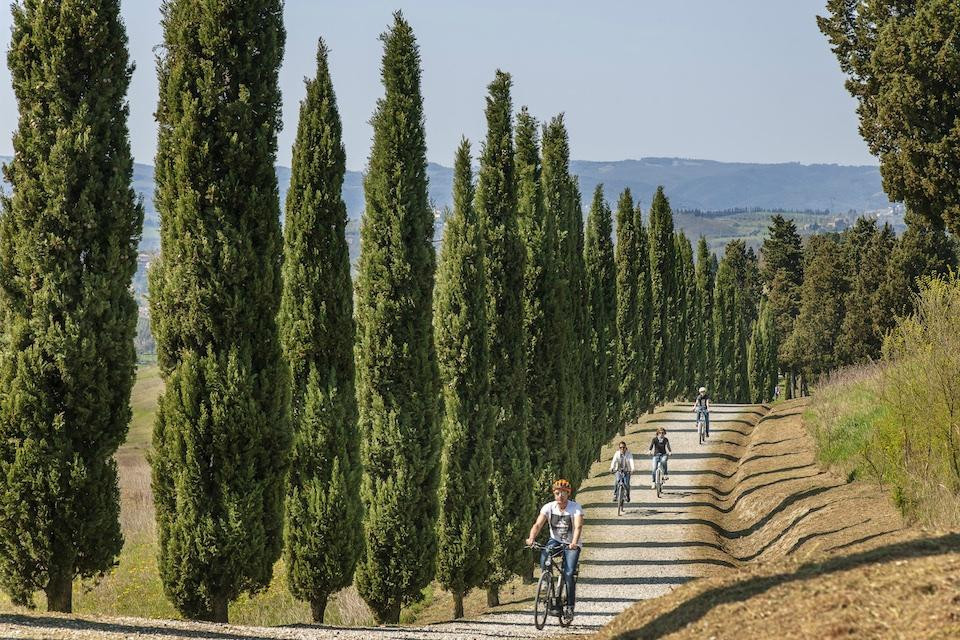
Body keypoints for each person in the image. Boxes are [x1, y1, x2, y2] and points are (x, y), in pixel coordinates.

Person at [525, 479, 583, 619]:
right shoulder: (548, 507)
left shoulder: (575, 508)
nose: (560, 496)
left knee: (568, 574)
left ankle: (569, 607)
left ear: (568, 494)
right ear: (554, 494)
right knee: (545, 552)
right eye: (557, 493)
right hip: (556, 540)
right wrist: (531, 537)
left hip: (571, 544)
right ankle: (546, 579)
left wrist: (574, 543)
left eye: (563, 493)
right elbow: (538, 524)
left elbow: (578, 527)